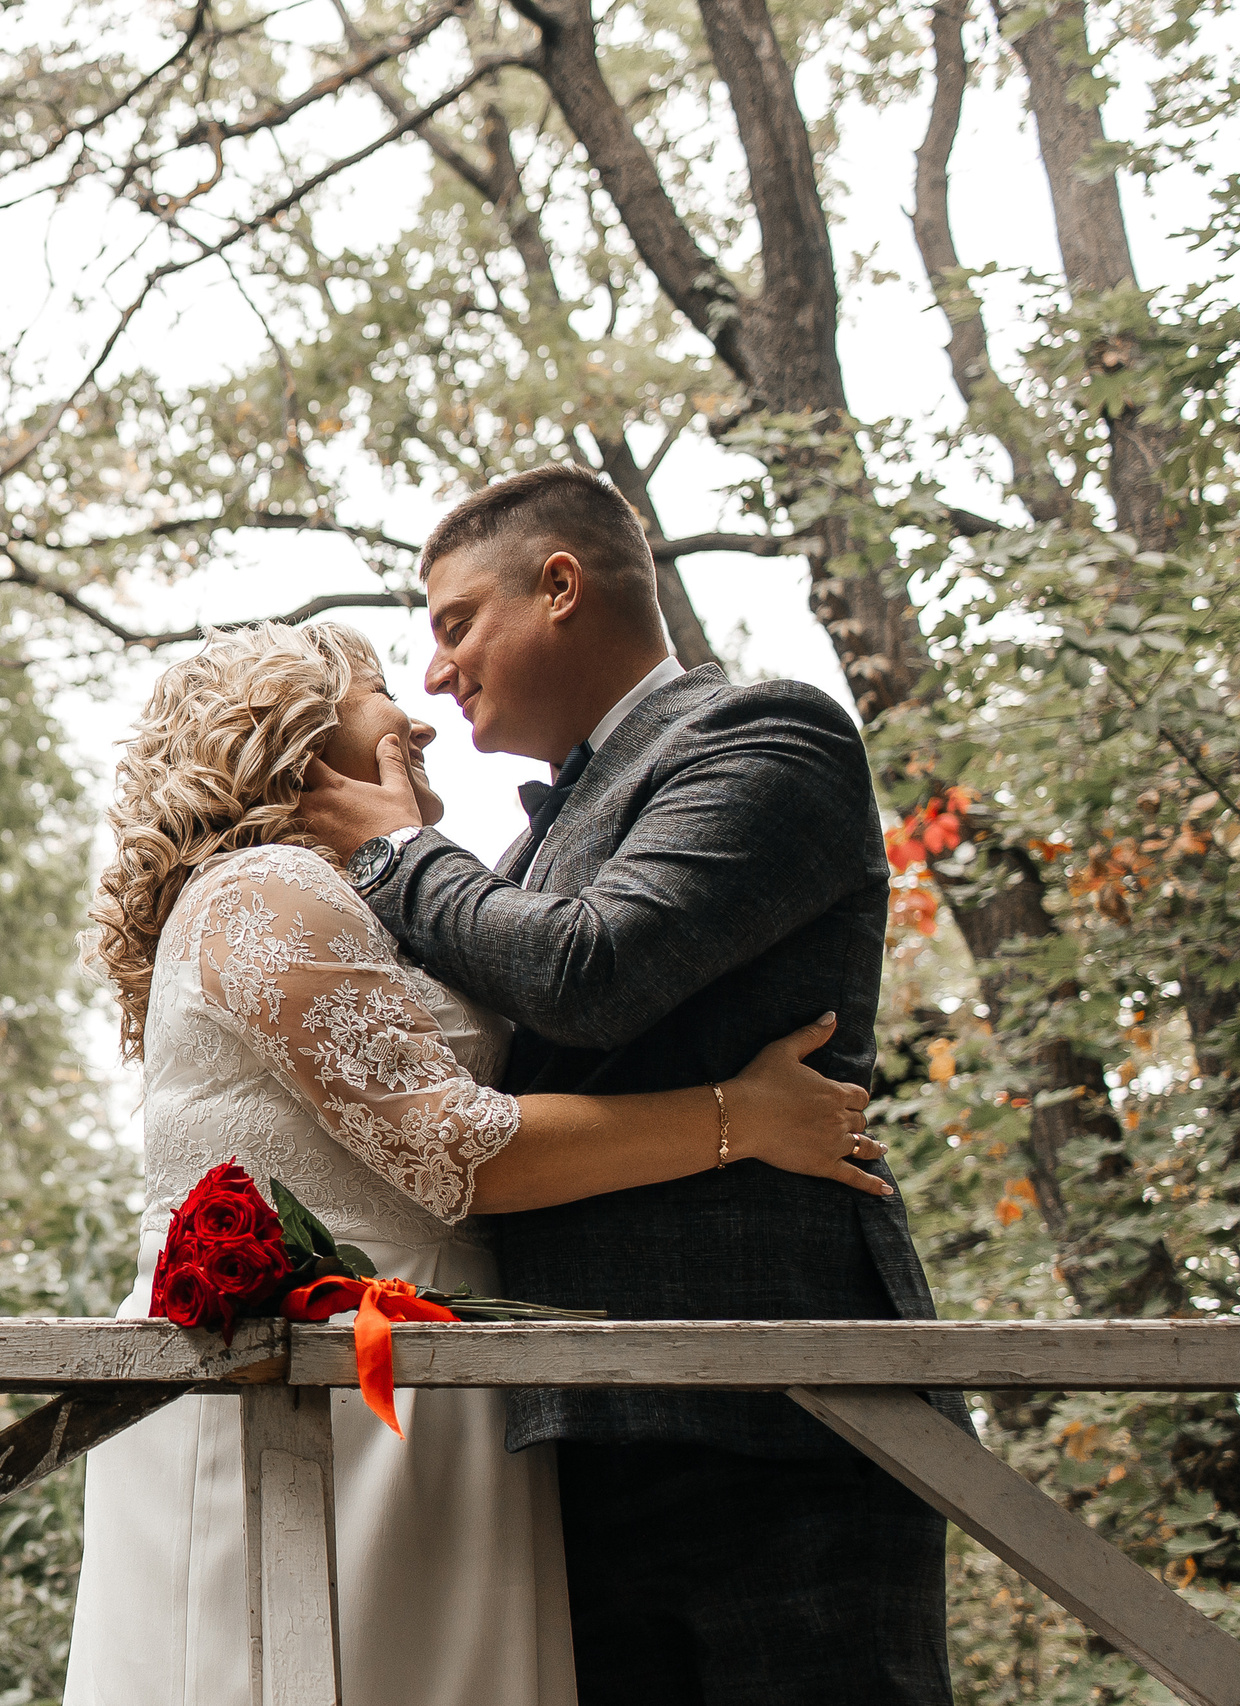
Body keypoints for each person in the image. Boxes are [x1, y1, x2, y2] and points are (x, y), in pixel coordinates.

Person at [62, 619, 889, 1706]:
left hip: (417, 1389)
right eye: (371, 691)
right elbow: (458, 1151)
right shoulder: (264, 890)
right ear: (299, 736)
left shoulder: (355, 902)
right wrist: (744, 1115)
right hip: (321, 1398)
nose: (412, 713)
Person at [295, 461, 955, 1706]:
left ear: (559, 585)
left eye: (453, 623)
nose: (435, 671)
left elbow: (590, 971)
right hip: (568, 1426)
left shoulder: (768, 733)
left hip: (786, 1416)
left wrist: (389, 852)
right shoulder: (519, 848)